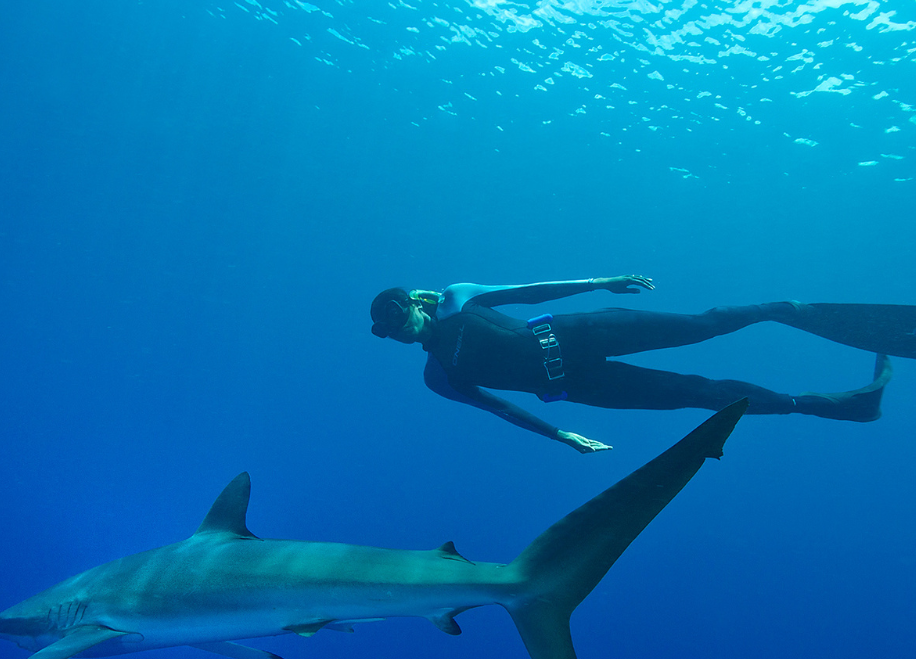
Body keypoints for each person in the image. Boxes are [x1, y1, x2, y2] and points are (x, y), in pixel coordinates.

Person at [369, 277, 914, 454]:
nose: (398, 327)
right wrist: (561, 434)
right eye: (387, 329)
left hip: (578, 332)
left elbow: (532, 290)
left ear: (411, 303)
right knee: (699, 393)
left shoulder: (459, 297)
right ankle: (832, 405)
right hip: (579, 384)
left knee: (701, 325)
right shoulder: (438, 377)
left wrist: (602, 279)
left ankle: (780, 310)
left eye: (396, 313)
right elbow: (500, 410)